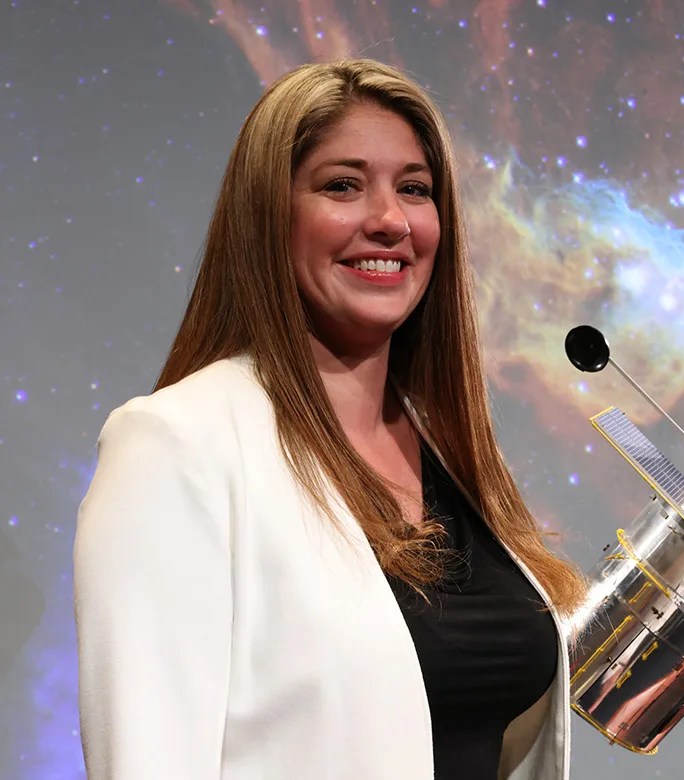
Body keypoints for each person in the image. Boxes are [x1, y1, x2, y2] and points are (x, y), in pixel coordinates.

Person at [74, 58, 586, 780]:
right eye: (342, 186)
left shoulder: (448, 455)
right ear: (266, 217)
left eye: (414, 190)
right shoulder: (176, 445)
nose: (389, 221)